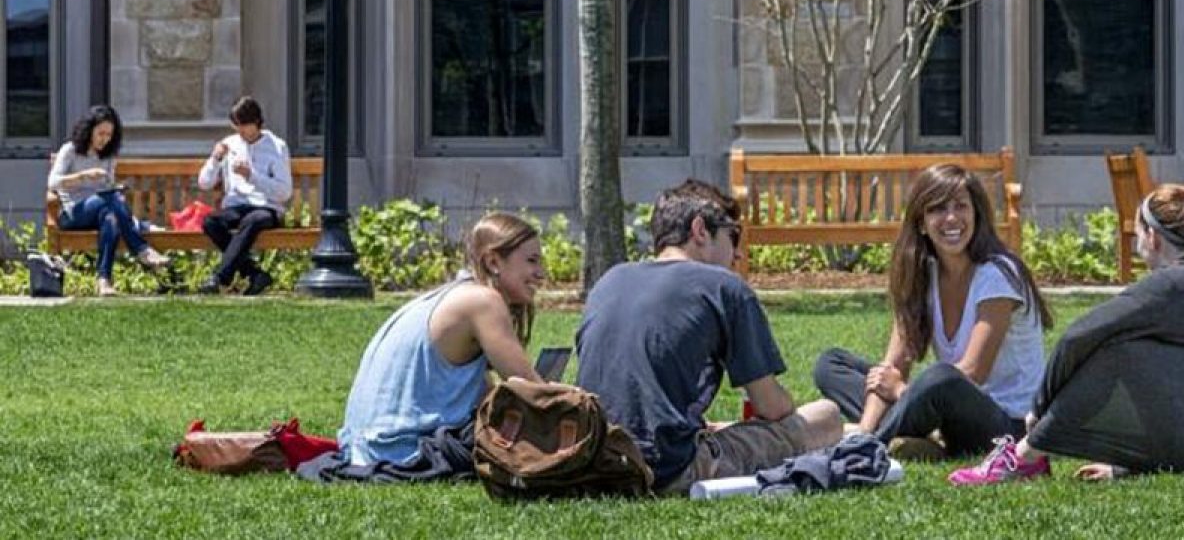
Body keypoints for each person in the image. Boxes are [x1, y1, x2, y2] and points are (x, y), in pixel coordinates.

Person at [948, 185, 1184, 485]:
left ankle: (1023, 456)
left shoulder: (1173, 282)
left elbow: (1078, 336)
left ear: (1152, 238)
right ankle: (1035, 454)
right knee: (1137, 351)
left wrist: (1038, 410)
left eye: (1135, 232)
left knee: (1114, 351)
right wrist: (1125, 470)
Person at [576, 180, 842, 496]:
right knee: (827, 416)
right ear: (700, 230)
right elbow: (771, 407)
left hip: (593, 460)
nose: (739, 253)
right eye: (734, 236)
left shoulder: (609, 280)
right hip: (665, 468)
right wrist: (787, 416)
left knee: (725, 427)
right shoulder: (723, 287)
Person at [813, 164, 1051, 461]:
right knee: (831, 364)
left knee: (941, 379)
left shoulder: (997, 274)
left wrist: (901, 391)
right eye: (938, 209)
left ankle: (885, 440)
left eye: (961, 206)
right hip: (945, 406)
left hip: (1006, 426)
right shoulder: (922, 274)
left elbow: (972, 373)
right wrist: (867, 424)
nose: (951, 218)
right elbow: (892, 367)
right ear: (922, 223)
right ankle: (883, 437)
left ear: (976, 215)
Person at [299, 213, 545, 483]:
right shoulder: (482, 301)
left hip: (365, 450)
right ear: (493, 262)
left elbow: (483, 392)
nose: (540, 273)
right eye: (531, 261)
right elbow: (530, 390)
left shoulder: (456, 295)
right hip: (402, 453)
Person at [46, 105, 168, 296]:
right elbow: (52, 182)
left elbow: (108, 190)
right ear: (89, 130)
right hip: (73, 214)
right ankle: (142, 249)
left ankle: (104, 281)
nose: (105, 139)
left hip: (102, 208)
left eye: (109, 135)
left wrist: (116, 189)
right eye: (101, 133)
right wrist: (83, 176)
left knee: (111, 217)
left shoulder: (108, 156)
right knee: (111, 199)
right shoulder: (70, 150)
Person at [195, 95, 294, 295]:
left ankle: (220, 277)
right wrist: (215, 159)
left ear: (256, 122)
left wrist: (252, 176)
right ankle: (254, 274)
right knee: (210, 222)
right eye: (236, 125)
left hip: (267, 208)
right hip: (236, 206)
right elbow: (204, 183)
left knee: (253, 219)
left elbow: (284, 192)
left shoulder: (277, 146)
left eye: (244, 125)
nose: (240, 131)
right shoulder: (229, 143)